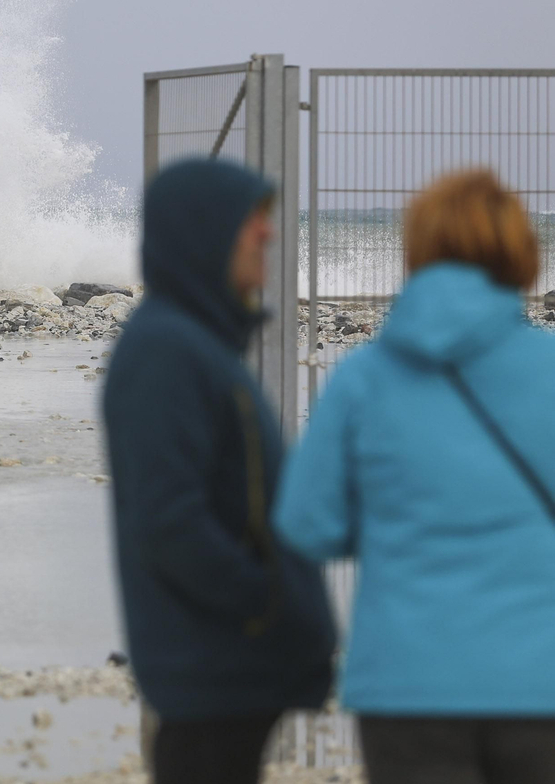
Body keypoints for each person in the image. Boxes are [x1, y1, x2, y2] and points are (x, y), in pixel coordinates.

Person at [274, 169, 555, 784]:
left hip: (407, 681)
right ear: (522, 254)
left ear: (418, 249)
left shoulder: (363, 378)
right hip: (543, 681)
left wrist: (395, 523)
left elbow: (306, 525)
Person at [102, 157, 336, 784]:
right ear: (205, 234)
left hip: (227, 673)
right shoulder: (165, 352)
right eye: (250, 222)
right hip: (211, 671)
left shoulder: (194, 344)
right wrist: (265, 603)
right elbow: (168, 520)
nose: (269, 234)